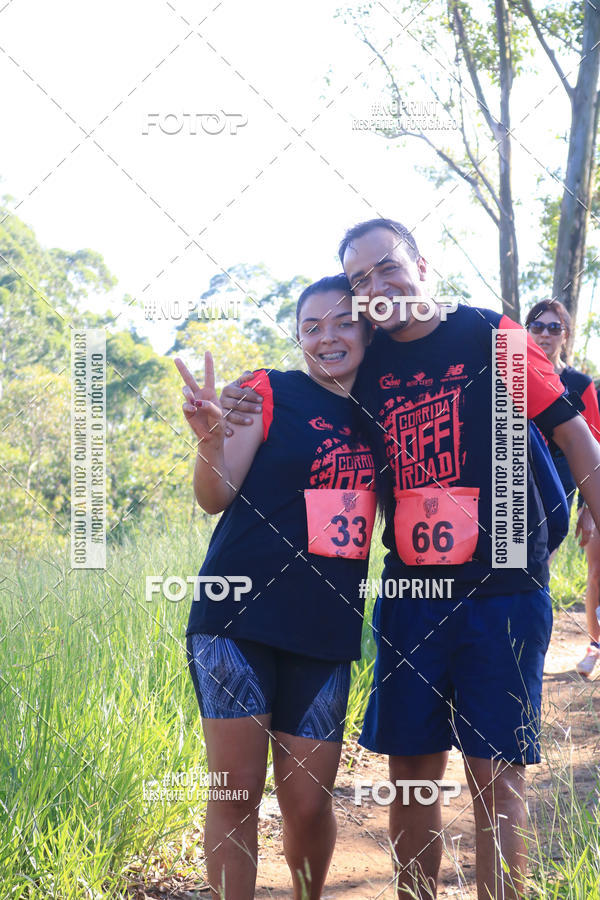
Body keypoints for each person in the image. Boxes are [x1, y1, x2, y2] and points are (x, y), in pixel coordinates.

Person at [221, 219, 600, 900]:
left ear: (423, 265)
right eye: (361, 280)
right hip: (411, 595)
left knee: (497, 780)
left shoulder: (492, 334)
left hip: (507, 587)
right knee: (413, 777)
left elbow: (574, 436)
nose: (376, 287)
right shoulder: (367, 365)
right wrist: (237, 409)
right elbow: (309, 404)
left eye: (387, 268)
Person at [176, 275, 377, 900]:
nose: (328, 336)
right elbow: (216, 497)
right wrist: (210, 442)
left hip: (324, 626)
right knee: (235, 792)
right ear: (298, 339)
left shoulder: (388, 410)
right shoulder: (272, 391)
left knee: (309, 805)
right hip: (235, 616)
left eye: (342, 322)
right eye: (311, 327)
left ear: (368, 328)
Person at [524, 300, 600, 677]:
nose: (545, 334)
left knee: (543, 563)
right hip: (515, 476)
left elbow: (593, 443)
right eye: (537, 326)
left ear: (565, 335)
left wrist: (589, 506)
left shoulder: (580, 385)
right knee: (519, 565)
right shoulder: (510, 375)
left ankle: (536, 651)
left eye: (554, 328)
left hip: (561, 478)